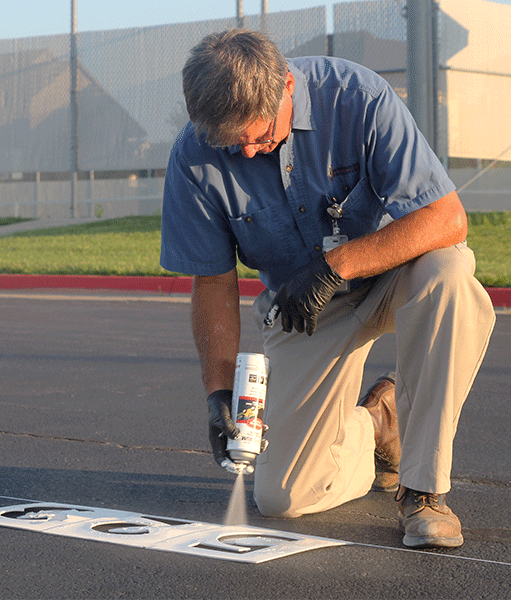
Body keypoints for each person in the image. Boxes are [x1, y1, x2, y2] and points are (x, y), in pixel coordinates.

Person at [160, 29, 495, 548]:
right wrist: (217, 391)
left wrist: (338, 265)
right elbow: (213, 282)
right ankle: (379, 421)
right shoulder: (193, 157)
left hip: (393, 272)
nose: (247, 152)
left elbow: (446, 219)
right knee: (284, 497)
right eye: (233, 143)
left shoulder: (357, 98)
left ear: (287, 85)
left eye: (260, 134)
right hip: (304, 310)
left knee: (451, 274)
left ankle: (424, 491)